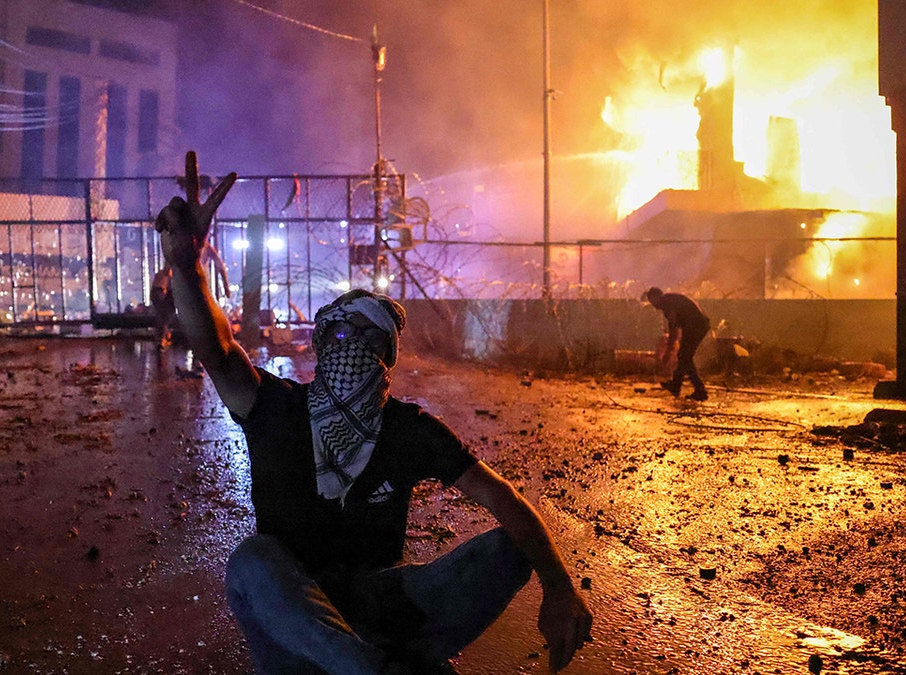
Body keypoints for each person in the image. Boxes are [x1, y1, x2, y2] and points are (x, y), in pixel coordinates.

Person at [155, 152, 592, 674]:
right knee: (252, 562)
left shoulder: (408, 430)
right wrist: (187, 266)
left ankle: (378, 660)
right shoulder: (276, 409)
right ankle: (372, 667)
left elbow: (505, 499)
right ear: (320, 346)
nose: (355, 346)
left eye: (371, 337)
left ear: (388, 358)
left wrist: (560, 589)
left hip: (380, 606)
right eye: (342, 333)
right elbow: (218, 349)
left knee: (512, 548)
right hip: (296, 630)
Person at [643, 286, 711, 401]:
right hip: (697, 325)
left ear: (656, 297)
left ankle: (699, 390)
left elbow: (673, 327)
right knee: (684, 356)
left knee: (685, 356)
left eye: (651, 300)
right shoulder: (670, 300)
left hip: (696, 326)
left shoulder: (666, 303)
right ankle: (677, 385)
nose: (652, 305)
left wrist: (669, 352)